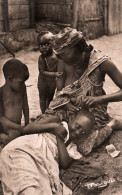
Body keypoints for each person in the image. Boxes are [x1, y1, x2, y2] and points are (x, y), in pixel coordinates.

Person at [48, 27, 122, 155]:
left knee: (83, 145)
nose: (61, 58)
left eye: (64, 54)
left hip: (92, 112)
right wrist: (67, 104)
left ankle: (112, 124)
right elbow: (59, 92)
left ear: (78, 50)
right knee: (47, 124)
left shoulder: (101, 62)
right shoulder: (63, 61)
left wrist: (99, 99)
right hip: (69, 108)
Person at [0, 109, 95, 195]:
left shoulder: (73, 148)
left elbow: (64, 163)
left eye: (83, 133)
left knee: (39, 187)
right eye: (78, 126)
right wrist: (53, 126)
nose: (78, 132)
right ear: (71, 119)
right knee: (26, 183)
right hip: (26, 149)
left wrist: (59, 137)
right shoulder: (56, 121)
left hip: (42, 163)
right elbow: (27, 129)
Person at [0, 59, 29, 145]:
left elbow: (25, 107)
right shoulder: (1, 93)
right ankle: (1, 137)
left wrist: (27, 125)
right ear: (10, 79)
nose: (23, 84)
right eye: (21, 82)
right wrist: (18, 127)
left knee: (23, 133)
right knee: (14, 136)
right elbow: (1, 118)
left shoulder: (22, 88)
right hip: (5, 126)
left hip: (17, 126)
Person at [37, 31, 62, 114]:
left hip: (52, 82)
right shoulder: (42, 58)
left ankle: (48, 112)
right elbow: (42, 71)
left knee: (50, 97)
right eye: (41, 45)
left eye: (47, 44)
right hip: (43, 81)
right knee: (43, 97)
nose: (44, 47)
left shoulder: (57, 56)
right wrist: (54, 74)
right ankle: (43, 113)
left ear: (53, 44)